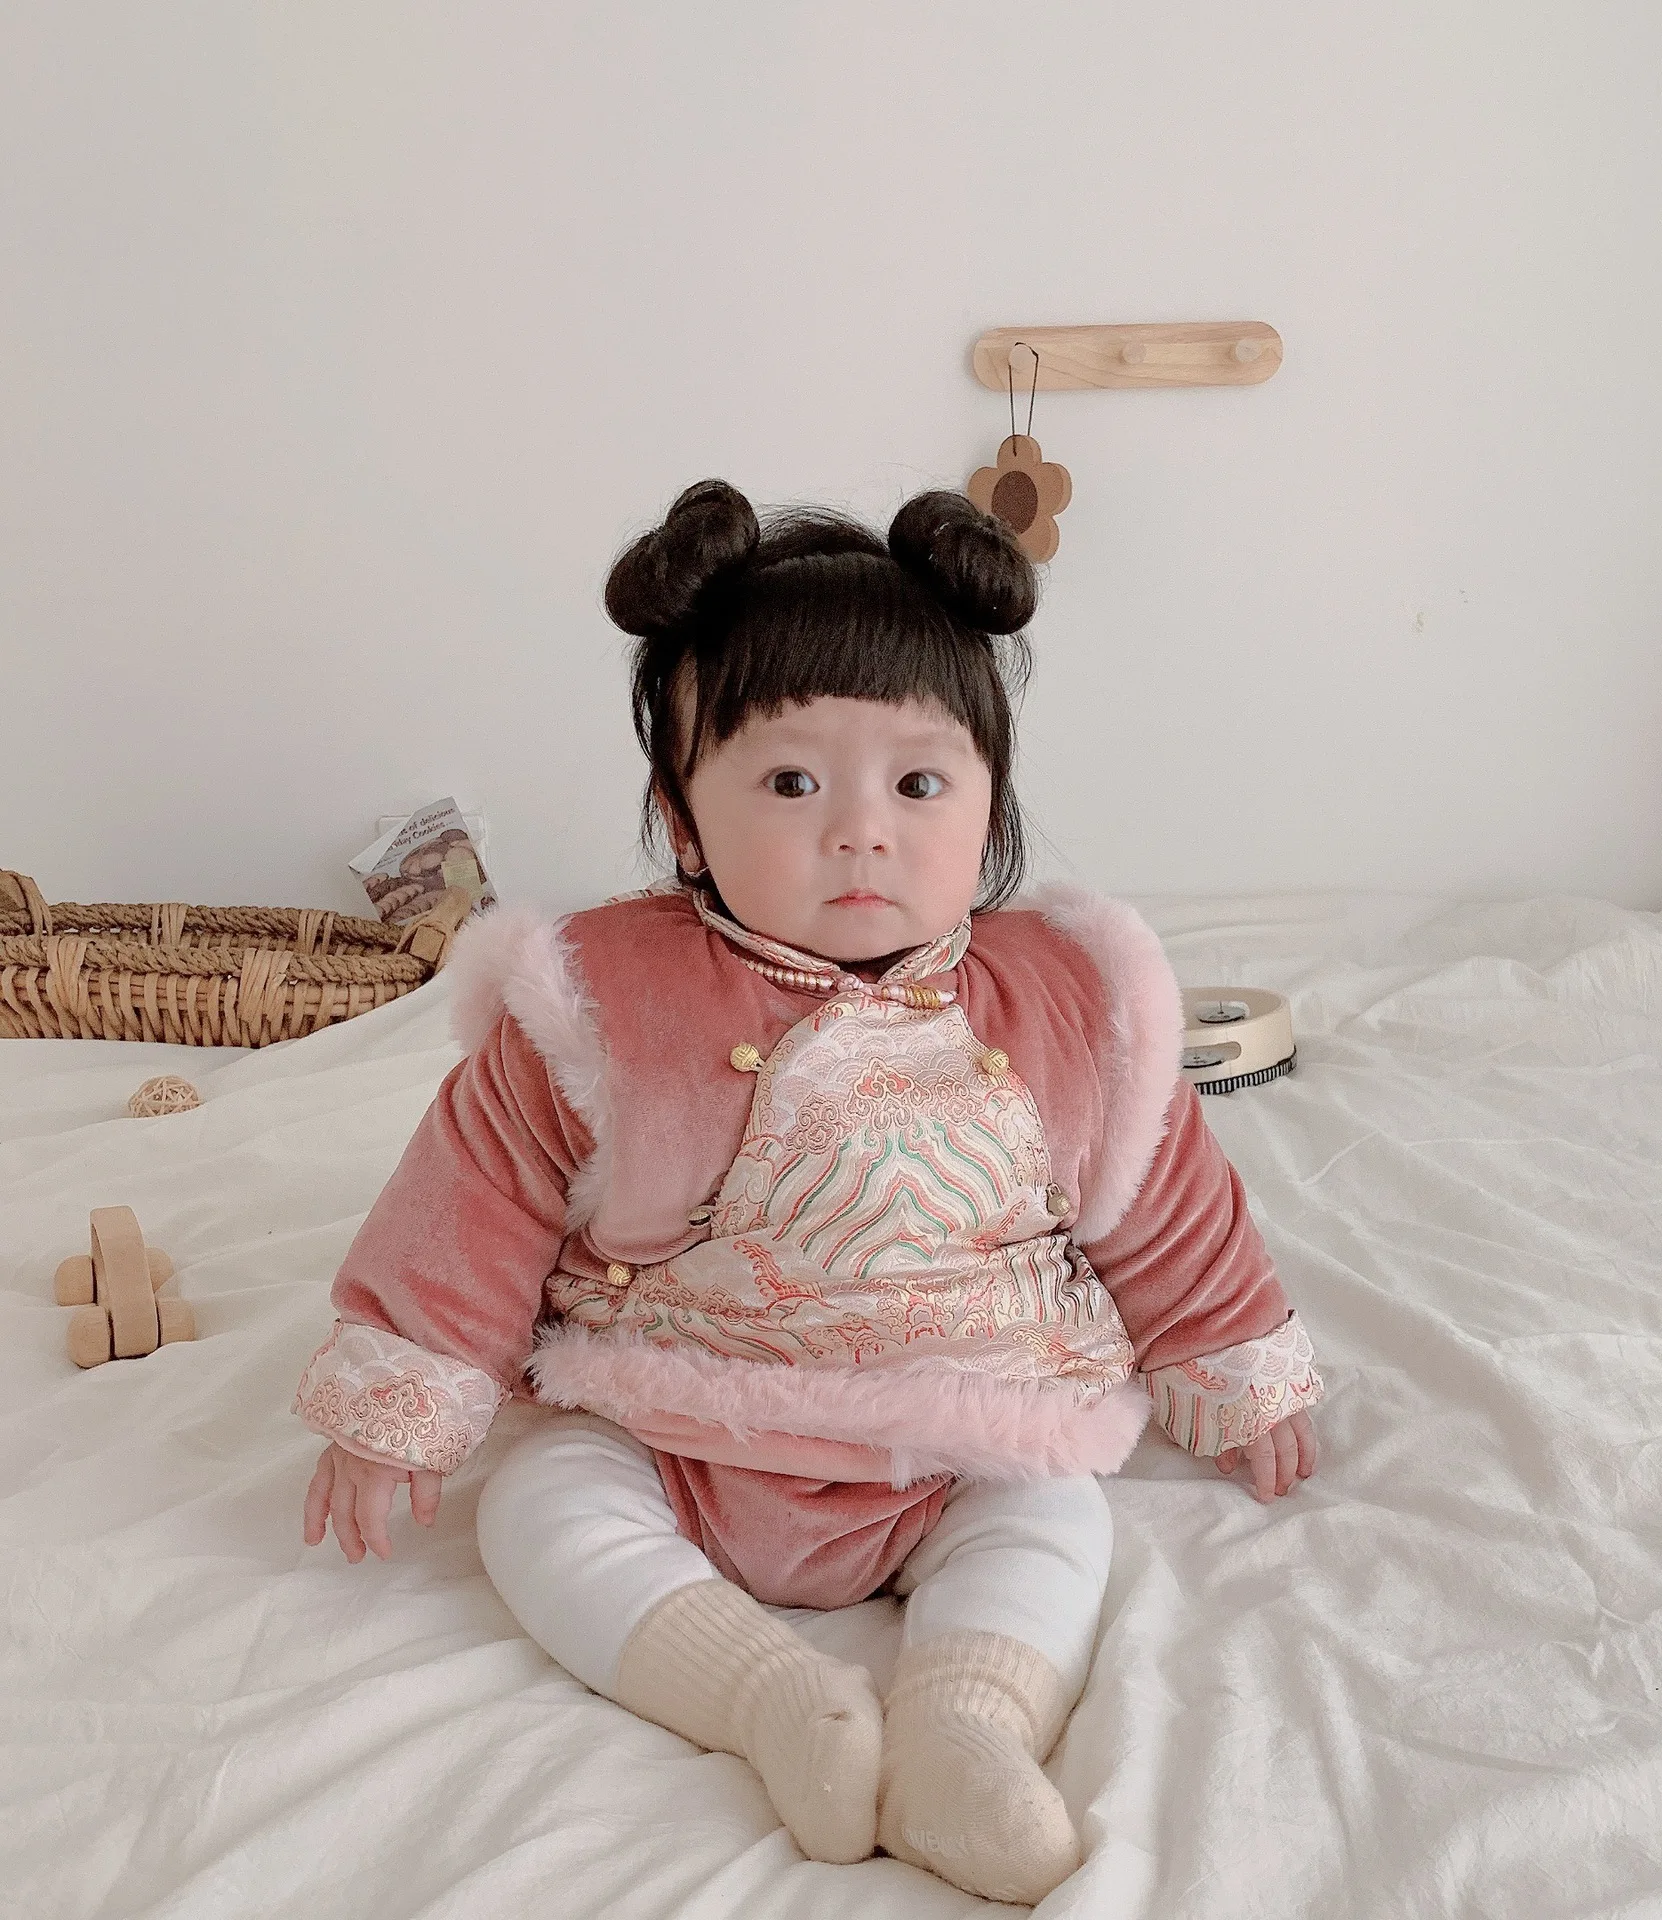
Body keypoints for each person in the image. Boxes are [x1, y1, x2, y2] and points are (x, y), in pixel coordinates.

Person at [295, 480, 1324, 1905]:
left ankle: (965, 1731)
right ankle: (775, 1702)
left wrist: (1230, 1355)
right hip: (678, 1423)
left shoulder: (1075, 1002)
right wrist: (402, 1395)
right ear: (683, 819)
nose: (860, 832)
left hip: (961, 1429)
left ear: (989, 802)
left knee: (1055, 1511)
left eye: (919, 785)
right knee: (539, 1507)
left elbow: (1166, 1202)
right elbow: (472, 1197)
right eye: (791, 784)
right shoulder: (602, 1004)